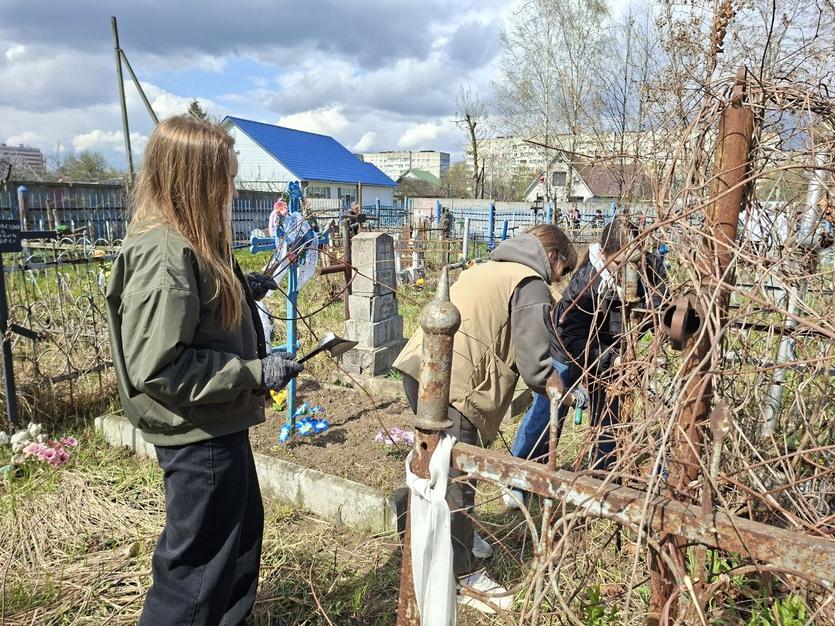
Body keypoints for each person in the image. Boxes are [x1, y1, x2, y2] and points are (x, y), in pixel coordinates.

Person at [105, 115, 303, 626]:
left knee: (237, 543)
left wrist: (241, 286)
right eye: (226, 177)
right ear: (195, 179)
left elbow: (199, 310)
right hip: (197, 436)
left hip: (216, 423)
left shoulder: (187, 237)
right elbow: (162, 366)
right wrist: (254, 372)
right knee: (195, 574)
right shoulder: (164, 253)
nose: (232, 189)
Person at [393, 224, 577, 609]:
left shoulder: (488, 267)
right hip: (454, 384)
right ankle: (464, 577)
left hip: (423, 367)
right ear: (555, 257)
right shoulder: (529, 283)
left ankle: (431, 532)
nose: (559, 281)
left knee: (437, 467)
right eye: (563, 271)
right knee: (458, 480)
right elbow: (534, 362)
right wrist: (558, 383)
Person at [506, 217, 667, 507]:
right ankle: (521, 474)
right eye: (620, 264)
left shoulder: (649, 267)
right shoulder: (587, 282)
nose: (627, 272)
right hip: (567, 349)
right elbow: (569, 331)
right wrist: (605, 357)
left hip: (612, 353)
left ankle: (602, 477)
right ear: (604, 255)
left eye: (634, 262)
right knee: (548, 409)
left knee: (610, 413)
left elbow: (660, 306)